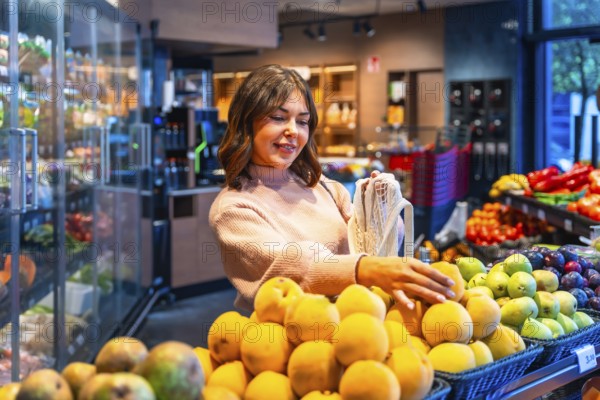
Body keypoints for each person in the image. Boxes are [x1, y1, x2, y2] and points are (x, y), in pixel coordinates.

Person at [208, 64, 454, 311]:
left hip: (356, 324)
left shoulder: (324, 187)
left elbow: (376, 245)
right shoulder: (234, 209)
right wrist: (364, 269)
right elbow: (289, 270)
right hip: (290, 339)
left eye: (302, 121)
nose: (293, 131)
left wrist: (379, 209)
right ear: (245, 123)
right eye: (278, 117)